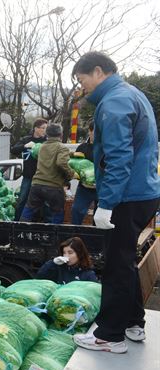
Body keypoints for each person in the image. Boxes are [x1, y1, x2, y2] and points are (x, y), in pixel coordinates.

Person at [71, 51, 160, 354]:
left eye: (82, 80)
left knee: (116, 266)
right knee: (126, 261)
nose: (83, 88)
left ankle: (109, 336)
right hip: (144, 193)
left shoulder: (114, 102)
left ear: (98, 72)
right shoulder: (132, 93)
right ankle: (134, 322)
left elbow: (119, 157)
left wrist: (106, 202)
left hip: (126, 196)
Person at [20, 124, 76, 224]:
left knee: (28, 210)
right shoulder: (62, 148)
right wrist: (71, 174)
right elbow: (61, 163)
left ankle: (20, 231)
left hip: (37, 185)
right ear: (61, 134)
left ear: (47, 134)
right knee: (57, 213)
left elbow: (38, 156)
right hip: (53, 186)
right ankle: (54, 237)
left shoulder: (41, 147)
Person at [11, 118, 48, 220]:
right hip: (28, 177)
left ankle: (41, 225)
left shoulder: (46, 142)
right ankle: (17, 223)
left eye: (46, 128)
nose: (45, 130)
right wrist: (25, 146)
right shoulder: (26, 139)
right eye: (43, 128)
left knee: (44, 203)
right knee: (22, 199)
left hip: (42, 178)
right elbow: (13, 150)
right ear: (36, 128)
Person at [71, 120, 98, 225]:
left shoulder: (105, 147)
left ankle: (97, 237)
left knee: (99, 215)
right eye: (96, 131)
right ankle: (75, 235)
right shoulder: (82, 147)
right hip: (84, 188)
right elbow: (74, 164)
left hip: (101, 188)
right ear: (90, 131)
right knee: (76, 210)